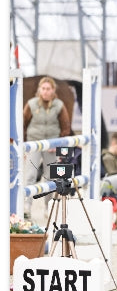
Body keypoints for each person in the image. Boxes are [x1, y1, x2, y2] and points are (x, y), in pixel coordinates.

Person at [23, 76, 71, 218]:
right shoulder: (31, 104)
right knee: (30, 175)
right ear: (39, 90)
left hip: (51, 145)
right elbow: (23, 124)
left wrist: (57, 144)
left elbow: (66, 127)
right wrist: (25, 146)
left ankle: (48, 207)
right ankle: (27, 206)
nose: (45, 91)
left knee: (50, 177)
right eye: (43, 88)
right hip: (34, 144)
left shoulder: (59, 105)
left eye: (48, 89)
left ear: (53, 90)